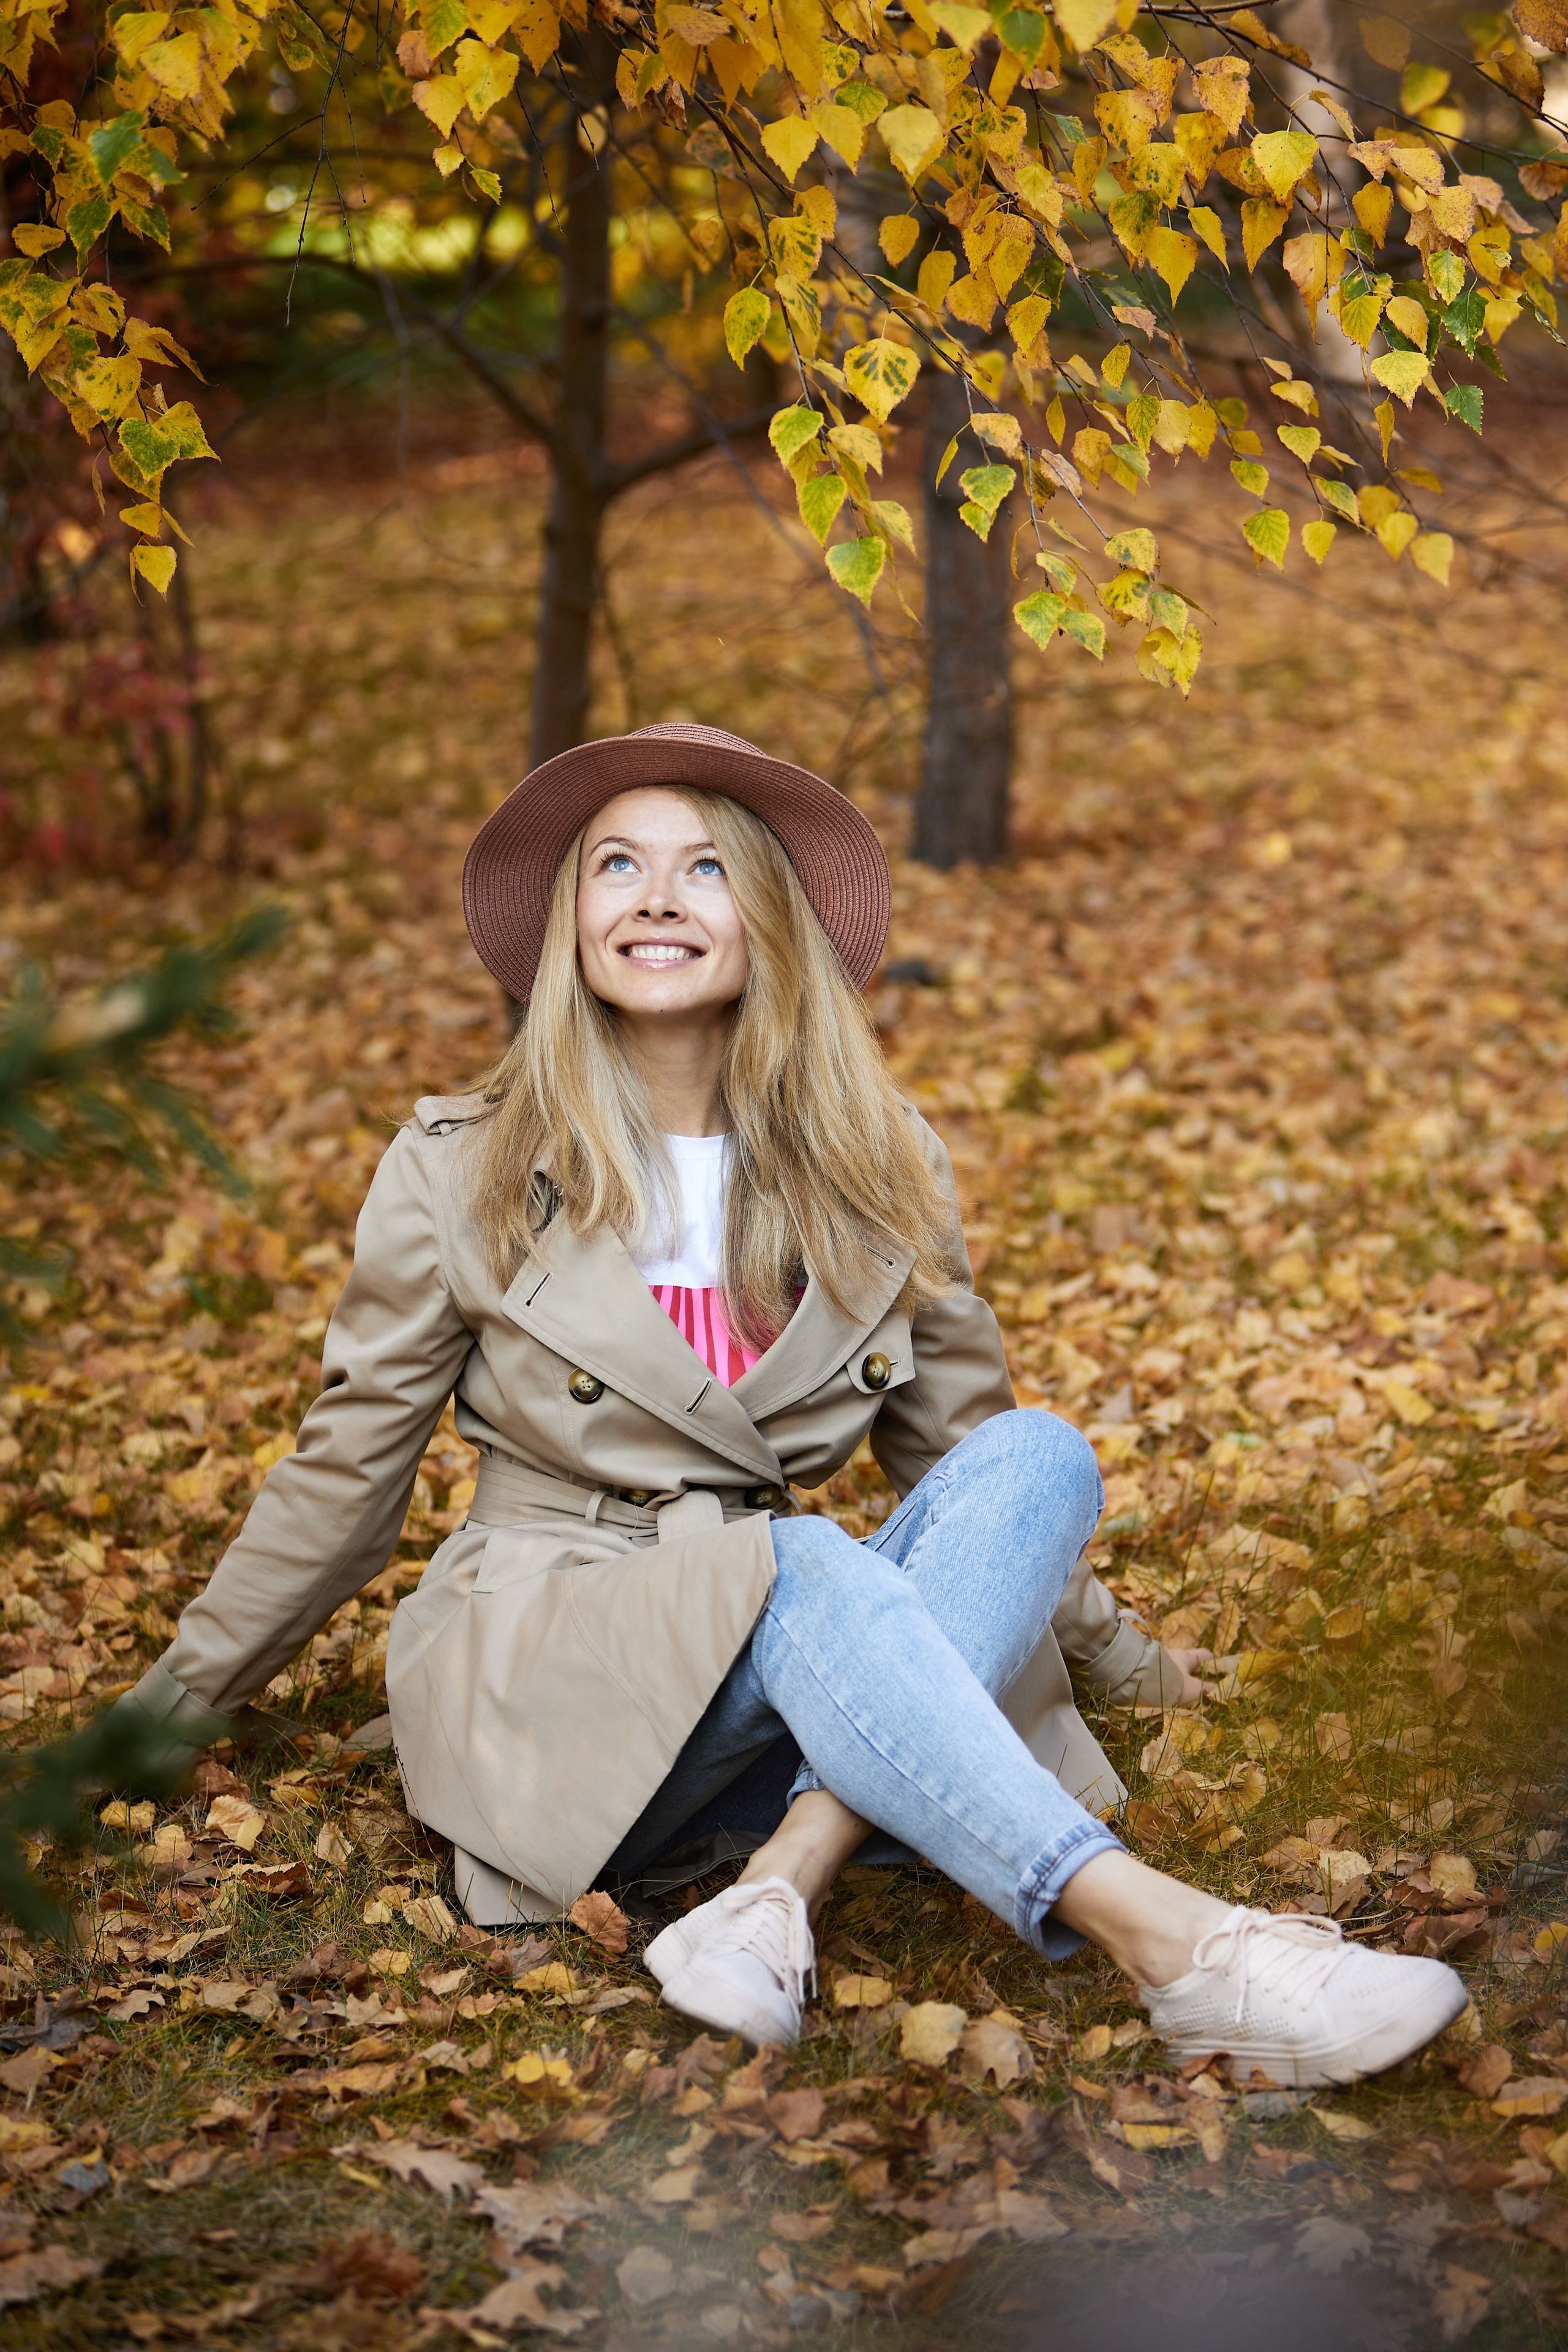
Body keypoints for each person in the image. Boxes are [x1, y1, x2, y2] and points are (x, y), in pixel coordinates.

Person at [118, 723, 1467, 2082]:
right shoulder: (458, 1169)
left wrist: (1135, 1669)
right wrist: (163, 1714)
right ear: (567, 920)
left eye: (705, 868)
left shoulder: (878, 1166)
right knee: (794, 1554)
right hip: (558, 1668)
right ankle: (1182, 1950)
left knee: (1035, 1454)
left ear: (767, 920)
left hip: (786, 1678)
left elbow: (966, 1466)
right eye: (616, 866)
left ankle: (779, 1884)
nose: (656, 897)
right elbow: (345, 1483)